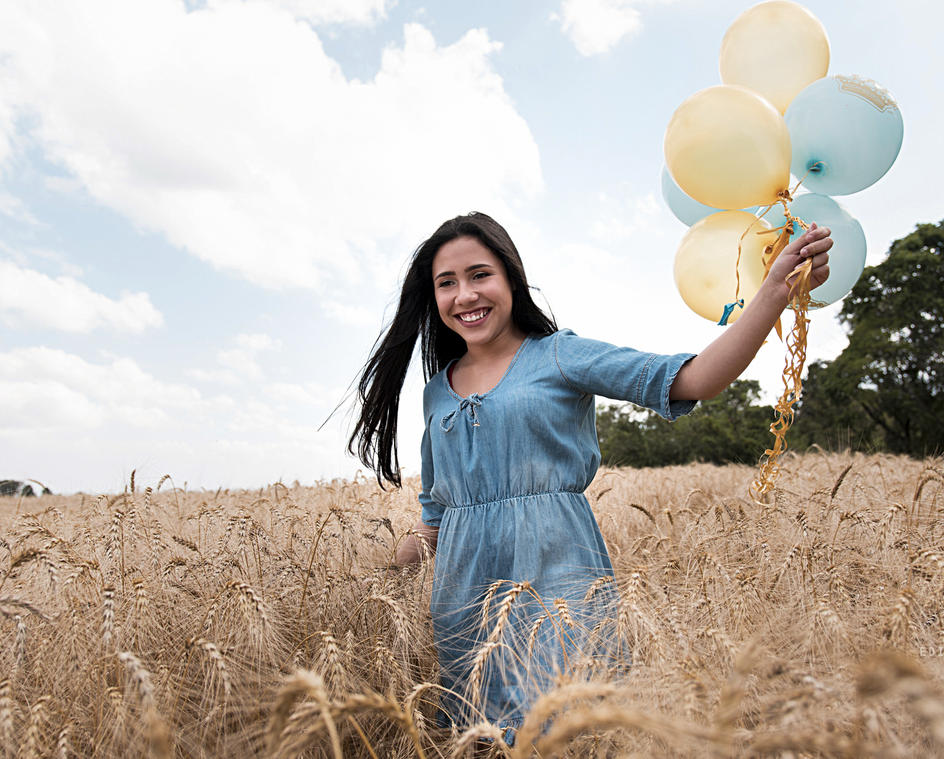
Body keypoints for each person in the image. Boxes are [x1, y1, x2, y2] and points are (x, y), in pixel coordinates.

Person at [349, 211, 832, 742]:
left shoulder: (559, 355)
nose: (465, 295)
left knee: (570, 731)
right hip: (466, 608)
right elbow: (437, 518)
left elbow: (693, 379)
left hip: (557, 591)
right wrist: (369, 576)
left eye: (480, 274)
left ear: (511, 277)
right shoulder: (436, 392)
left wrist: (774, 295)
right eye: (447, 283)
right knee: (478, 741)